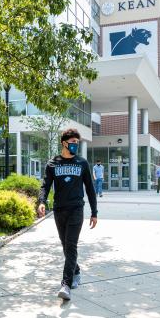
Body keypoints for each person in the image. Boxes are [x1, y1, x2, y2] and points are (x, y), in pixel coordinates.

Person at [38, 128, 98, 301]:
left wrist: (94, 212)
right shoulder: (53, 163)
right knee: (65, 245)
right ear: (64, 143)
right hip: (59, 209)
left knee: (71, 245)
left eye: (77, 144)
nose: (75, 146)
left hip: (76, 209)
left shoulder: (82, 163)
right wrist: (42, 201)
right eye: (73, 143)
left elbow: (90, 189)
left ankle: (66, 283)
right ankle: (76, 271)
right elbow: (45, 185)